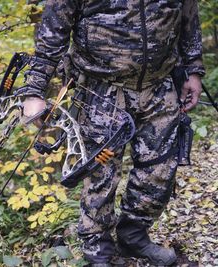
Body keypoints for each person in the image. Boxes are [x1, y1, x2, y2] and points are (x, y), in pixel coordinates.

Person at [20, 0, 205, 266]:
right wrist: (34, 91)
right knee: (100, 175)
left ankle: (133, 235)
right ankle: (98, 250)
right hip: (102, 89)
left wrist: (194, 70)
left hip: (160, 87)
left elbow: (187, 14)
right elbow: (53, 30)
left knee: (159, 171)